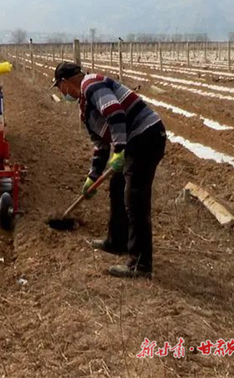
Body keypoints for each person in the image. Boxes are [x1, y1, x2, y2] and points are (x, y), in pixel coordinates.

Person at [51, 62, 166, 279]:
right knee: (117, 187)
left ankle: (140, 265)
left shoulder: (91, 84)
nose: (61, 93)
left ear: (65, 83)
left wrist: (120, 150)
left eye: (59, 87)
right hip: (133, 140)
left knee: (135, 198)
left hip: (146, 136)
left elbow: (115, 112)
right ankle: (116, 242)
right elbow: (101, 145)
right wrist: (92, 177)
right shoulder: (85, 107)